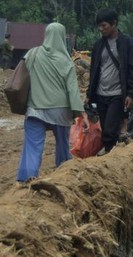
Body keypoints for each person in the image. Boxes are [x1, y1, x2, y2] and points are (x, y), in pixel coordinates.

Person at [17, 23, 85, 181]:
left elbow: (21, 75)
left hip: (35, 108)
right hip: (61, 111)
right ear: (62, 37)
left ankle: (26, 180)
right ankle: (63, 177)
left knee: (32, 146)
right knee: (62, 144)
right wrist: (82, 114)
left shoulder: (32, 53)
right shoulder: (66, 61)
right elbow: (72, 90)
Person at [86, 9, 133, 155]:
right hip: (100, 93)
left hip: (118, 93)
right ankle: (111, 152)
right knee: (105, 127)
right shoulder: (98, 45)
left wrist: (131, 93)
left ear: (114, 24)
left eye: (104, 25)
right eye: (99, 26)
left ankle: (109, 154)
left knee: (110, 130)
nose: (101, 29)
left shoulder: (128, 43)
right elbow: (94, 71)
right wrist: (89, 93)